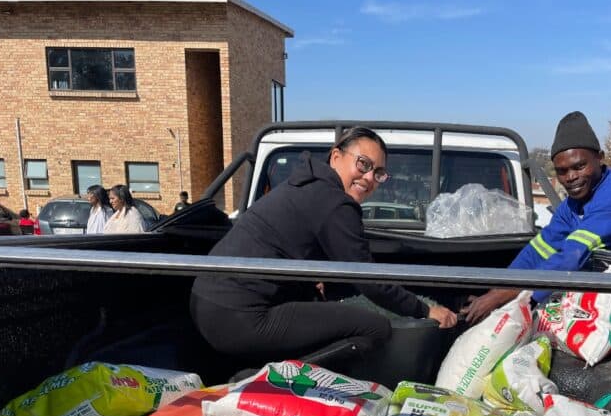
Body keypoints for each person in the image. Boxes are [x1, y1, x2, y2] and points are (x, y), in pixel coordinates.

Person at [191, 126, 458, 362]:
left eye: (378, 173)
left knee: (322, 302)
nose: (368, 178)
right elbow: (368, 279)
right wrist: (425, 310)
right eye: (363, 164)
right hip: (239, 316)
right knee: (376, 327)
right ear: (336, 156)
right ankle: (274, 384)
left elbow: (290, 245)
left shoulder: (306, 184)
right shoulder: (334, 203)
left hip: (207, 303)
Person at [461, 111, 611, 324]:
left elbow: (572, 254)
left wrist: (507, 294)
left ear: (600, 158)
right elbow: (539, 250)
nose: (571, 177)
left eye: (579, 166)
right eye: (562, 171)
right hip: (591, 306)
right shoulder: (572, 204)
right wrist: (498, 288)